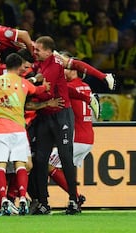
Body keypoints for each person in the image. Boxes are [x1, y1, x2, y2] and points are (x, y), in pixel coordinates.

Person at [29, 36, 79, 215]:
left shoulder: (55, 64)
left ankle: (74, 200)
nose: (35, 52)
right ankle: (43, 203)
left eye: (38, 50)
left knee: (66, 157)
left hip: (61, 115)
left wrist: (26, 90)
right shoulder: (40, 63)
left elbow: (43, 92)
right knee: (41, 159)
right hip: (45, 116)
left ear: (49, 51)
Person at [47, 58, 95, 212]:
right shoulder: (86, 87)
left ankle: (76, 196)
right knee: (68, 168)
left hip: (76, 137)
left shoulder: (66, 87)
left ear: (74, 70)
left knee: (48, 164)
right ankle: (73, 202)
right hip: (88, 137)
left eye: (65, 69)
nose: (62, 72)